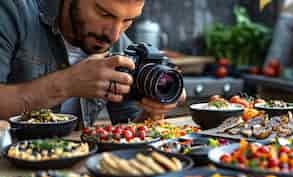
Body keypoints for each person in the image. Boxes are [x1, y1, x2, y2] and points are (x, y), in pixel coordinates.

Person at [0, 0, 185, 127]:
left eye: (128, 20)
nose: (114, 34)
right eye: (104, 14)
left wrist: (152, 111)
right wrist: (65, 85)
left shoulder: (121, 46)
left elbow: (128, 131)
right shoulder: (13, 11)